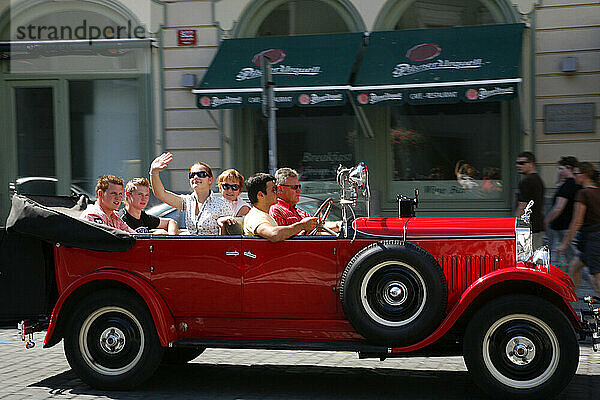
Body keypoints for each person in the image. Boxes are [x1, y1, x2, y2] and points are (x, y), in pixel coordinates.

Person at [149, 152, 232, 235]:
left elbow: (229, 238)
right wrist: (154, 171)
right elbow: (160, 194)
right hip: (190, 246)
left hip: (213, 247)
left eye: (201, 174)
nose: (195, 177)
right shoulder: (187, 201)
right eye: (192, 175)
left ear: (210, 180)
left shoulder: (223, 205)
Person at [558, 162, 600, 295]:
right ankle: (570, 300)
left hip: (593, 239)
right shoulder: (597, 191)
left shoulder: (583, 193)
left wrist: (564, 244)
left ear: (585, 175)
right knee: (574, 267)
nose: (573, 177)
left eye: (576, 174)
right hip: (591, 239)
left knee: (597, 275)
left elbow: (577, 221)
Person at [243, 173, 318, 242]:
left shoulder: (264, 215)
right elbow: (274, 234)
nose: (277, 192)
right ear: (261, 195)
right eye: (273, 189)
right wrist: (302, 225)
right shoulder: (255, 217)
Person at [269, 167, 341, 234]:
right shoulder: (275, 210)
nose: (299, 191)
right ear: (280, 189)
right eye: (294, 187)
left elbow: (319, 225)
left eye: (299, 187)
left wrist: (338, 225)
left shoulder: (300, 212)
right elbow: (281, 237)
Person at [543, 156, 580, 266]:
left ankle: (591, 281)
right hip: (565, 227)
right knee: (568, 258)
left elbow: (558, 208)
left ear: (568, 168)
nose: (559, 171)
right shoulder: (574, 184)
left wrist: (546, 221)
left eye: (560, 169)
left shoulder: (568, 185)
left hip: (564, 228)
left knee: (573, 258)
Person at [515, 151, 545, 249]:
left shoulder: (526, 181)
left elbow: (522, 206)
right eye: (517, 163)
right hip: (536, 225)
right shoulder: (538, 180)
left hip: (527, 227)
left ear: (531, 164)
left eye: (522, 163)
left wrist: (515, 224)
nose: (518, 166)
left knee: (527, 257)